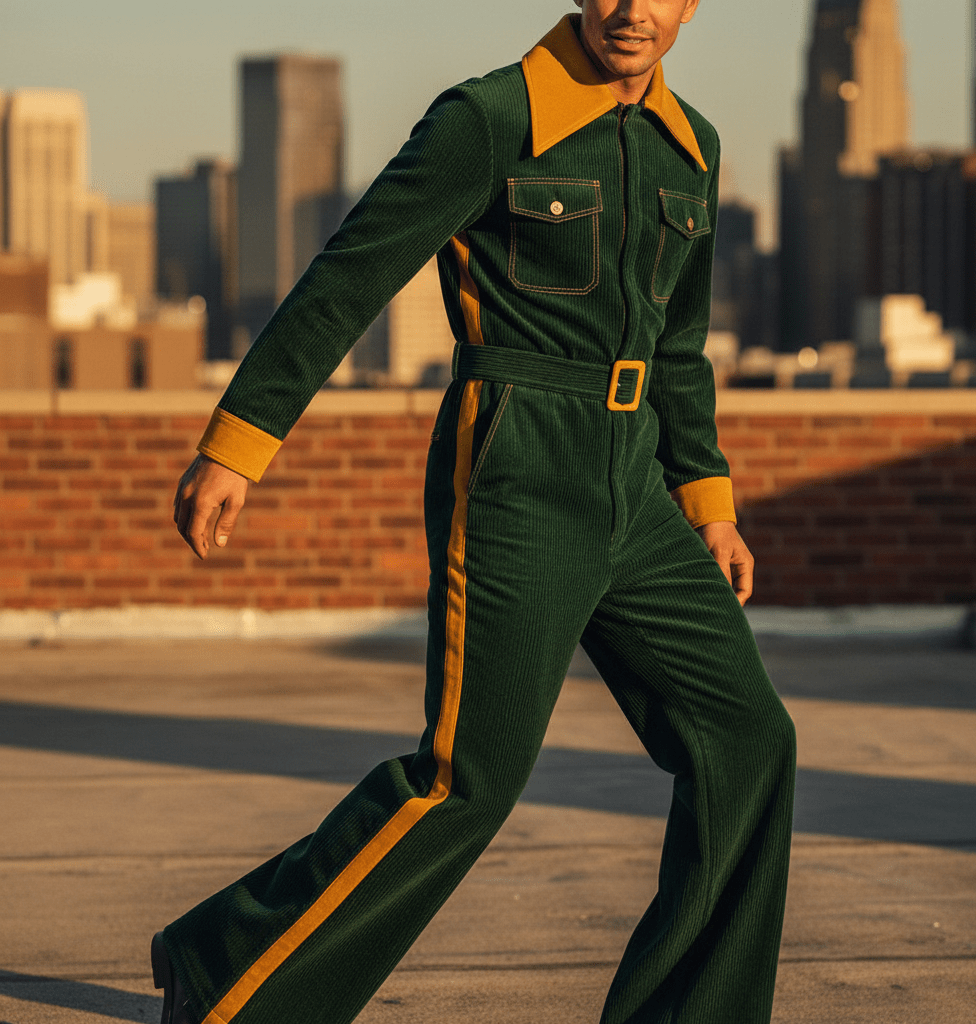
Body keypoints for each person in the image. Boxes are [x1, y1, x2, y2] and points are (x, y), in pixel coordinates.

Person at [159, 2, 797, 1022]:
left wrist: (706, 500)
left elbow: (677, 346)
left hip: (637, 489)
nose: (633, 11)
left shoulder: (694, 149)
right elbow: (352, 272)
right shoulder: (491, 118)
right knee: (468, 778)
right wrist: (240, 442)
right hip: (515, 466)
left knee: (748, 738)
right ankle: (231, 971)